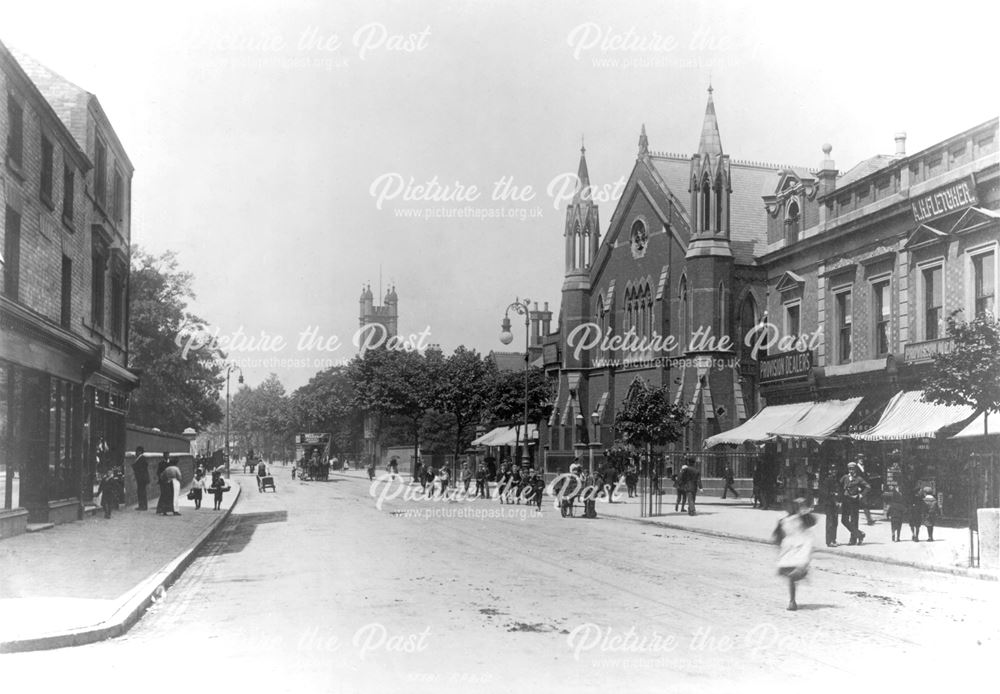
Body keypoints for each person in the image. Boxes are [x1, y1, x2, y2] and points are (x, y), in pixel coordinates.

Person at [772, 497, 816, 611]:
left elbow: (812, 521)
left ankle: (792, 600)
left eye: (790, 505)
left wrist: (804, 509)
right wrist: (779, 544)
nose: (788, 508)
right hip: (789, 550)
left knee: (794, 573)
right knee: (788, 573)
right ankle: (793, 598)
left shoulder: (801, 518)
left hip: (801, 547)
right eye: (786, 506)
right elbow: (777, 535)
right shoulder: (783, 520)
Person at [839, 461, 869, 545]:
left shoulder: (859, 479)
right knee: (844, 520)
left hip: (854, 501)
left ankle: (853, 539)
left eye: (852, 469)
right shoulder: (845, 477)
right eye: (849, 469)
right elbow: (839, 486)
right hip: (845, 501)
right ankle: (860, 534)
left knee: (854, 520)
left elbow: (868, 487)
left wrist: (860, 495)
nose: (851, 471)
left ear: (855, 469)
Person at [817, 469, 840, 547]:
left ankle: (834, 539)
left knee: (835, 522)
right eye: (832, 471)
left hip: (835, 504)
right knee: (830, 522)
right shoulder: (827, 481)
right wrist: (834, 497)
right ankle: (829, 541)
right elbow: (826, 493)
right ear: (829, 472)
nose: (834, 472)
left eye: (835, 471)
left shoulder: (836, 480)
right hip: (829, 504)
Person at [132, 446, 149, 511]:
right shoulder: (141, 458)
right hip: (142, 478)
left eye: (136, 451)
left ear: (139, 452)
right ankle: (142, 506)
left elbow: (140, 468)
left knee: (141, 492)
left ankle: (143, 506)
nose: (135, 453)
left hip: (142, 478)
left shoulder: (141, 458)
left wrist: (134, 466)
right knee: (141, 492)